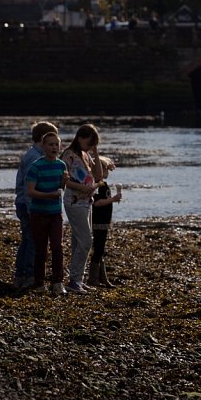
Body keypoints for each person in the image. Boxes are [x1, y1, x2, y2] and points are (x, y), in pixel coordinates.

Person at [12, 121, 58, 289]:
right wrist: (33, 209)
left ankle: (20, 275)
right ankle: (28, 275)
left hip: (24, 202)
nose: (55, 144)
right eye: (51, 140)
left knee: (27, 240)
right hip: (28, 204)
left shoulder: (32, 154)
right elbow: (28, 185)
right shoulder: (35, 157)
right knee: (33, 241)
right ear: (42, 139)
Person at [61, 123, 104, 294]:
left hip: (87, 202)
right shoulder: (68, 155)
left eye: (93, 143)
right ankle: (74, 280)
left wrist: (95, 152)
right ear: (79, 138)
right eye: (89, 142)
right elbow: (62, 180)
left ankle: (76, 278)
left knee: (78, 242)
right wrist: (81, 188)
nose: (90, 145)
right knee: (86, 241)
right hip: (74, 201)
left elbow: (99, 176)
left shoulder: (86, 155)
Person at [25, 131, 69, 294]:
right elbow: (30, 191)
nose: (54, 147)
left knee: (58, 246)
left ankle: (58, 283)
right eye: (50, 144)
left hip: (56, 213)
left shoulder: (61, 165)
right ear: (43, 147)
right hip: (38, 213)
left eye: (56, 144)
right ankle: (39, 284)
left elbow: (61, 189)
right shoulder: (36, 166)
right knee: (41, 249)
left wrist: (64, 183)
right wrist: (48, 195)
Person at [87, 156, 123, 287]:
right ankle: (93, 278)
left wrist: (113, 199)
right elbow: (97, 203)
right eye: (105, 169)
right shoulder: (98, 185)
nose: (107, 171)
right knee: (98, 249)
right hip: (98, 221)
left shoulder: (102, 184)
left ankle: (102, 278)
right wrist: (112, 199)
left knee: (100, 249)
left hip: (104, 220)